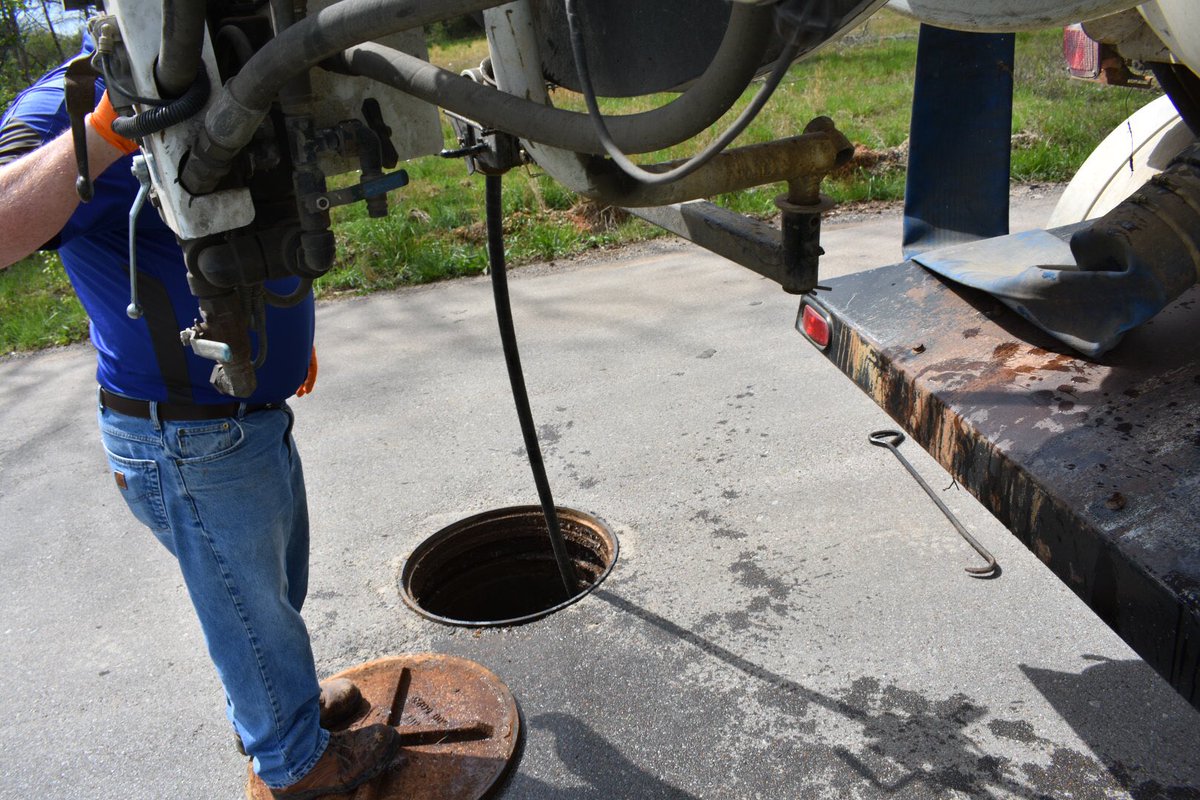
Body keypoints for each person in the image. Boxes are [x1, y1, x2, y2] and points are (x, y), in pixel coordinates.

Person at [0, 42, 400, 798]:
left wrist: (287, 345)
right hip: (184, 431)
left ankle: (284, 708)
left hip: (241, 411)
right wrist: (104, 133)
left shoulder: (234, 62)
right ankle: (295, 767)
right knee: (246, 605)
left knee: (264, 596)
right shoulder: (70, 99)